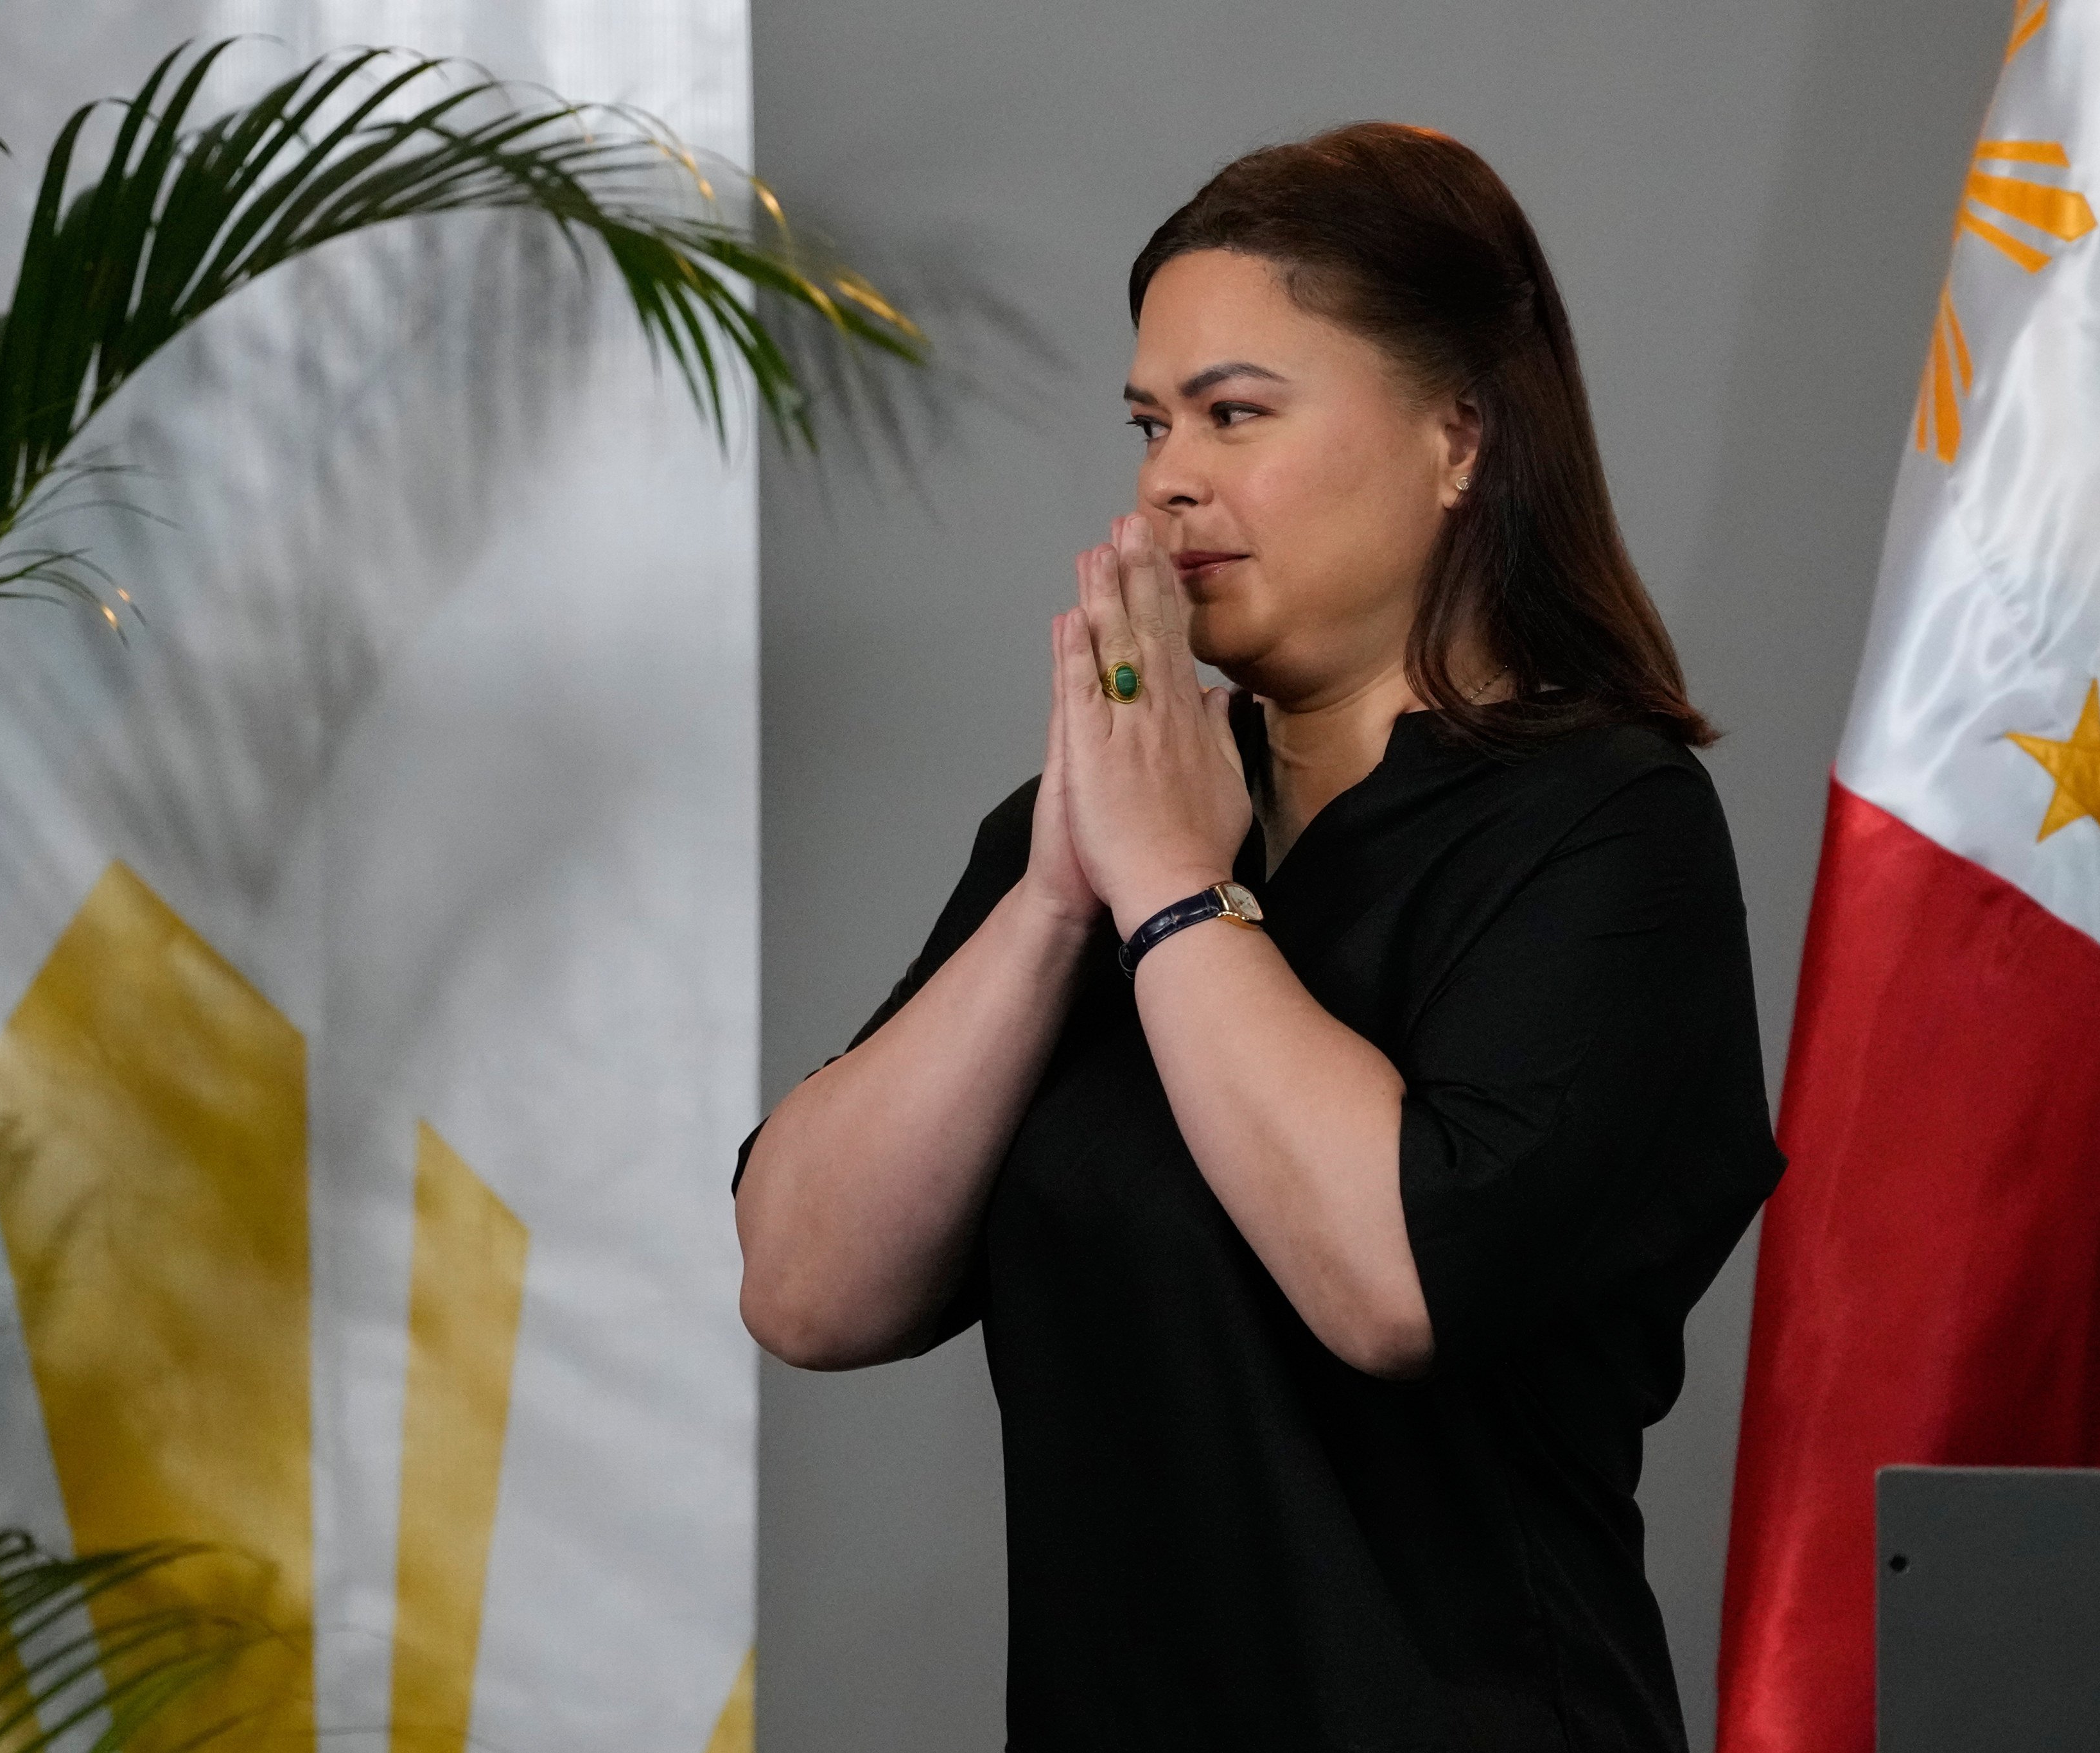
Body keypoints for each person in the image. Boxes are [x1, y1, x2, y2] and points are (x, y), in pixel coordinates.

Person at [733, 121, 1783, 1753]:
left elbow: (1390, 1282)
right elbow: (805, 1288)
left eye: (1234, 413)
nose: (1167, 476)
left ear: (1458, 440)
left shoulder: (1601, 825)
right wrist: (1056, 899)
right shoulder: (1089, 833)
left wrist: (1170, 894)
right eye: (1151, 423)